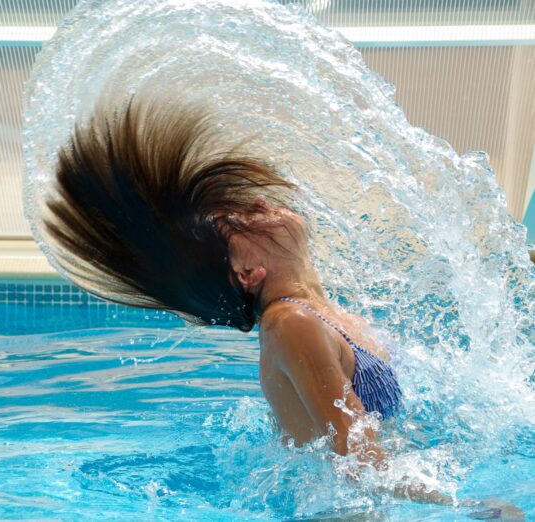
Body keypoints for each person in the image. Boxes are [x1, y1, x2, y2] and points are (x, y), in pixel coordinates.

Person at [40, 95, 521, 514]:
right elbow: (360, 462)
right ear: (246, 274)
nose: (257, 207)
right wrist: (471, 509)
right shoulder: (292, 324)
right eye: (240, 221)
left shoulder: (322, 314)